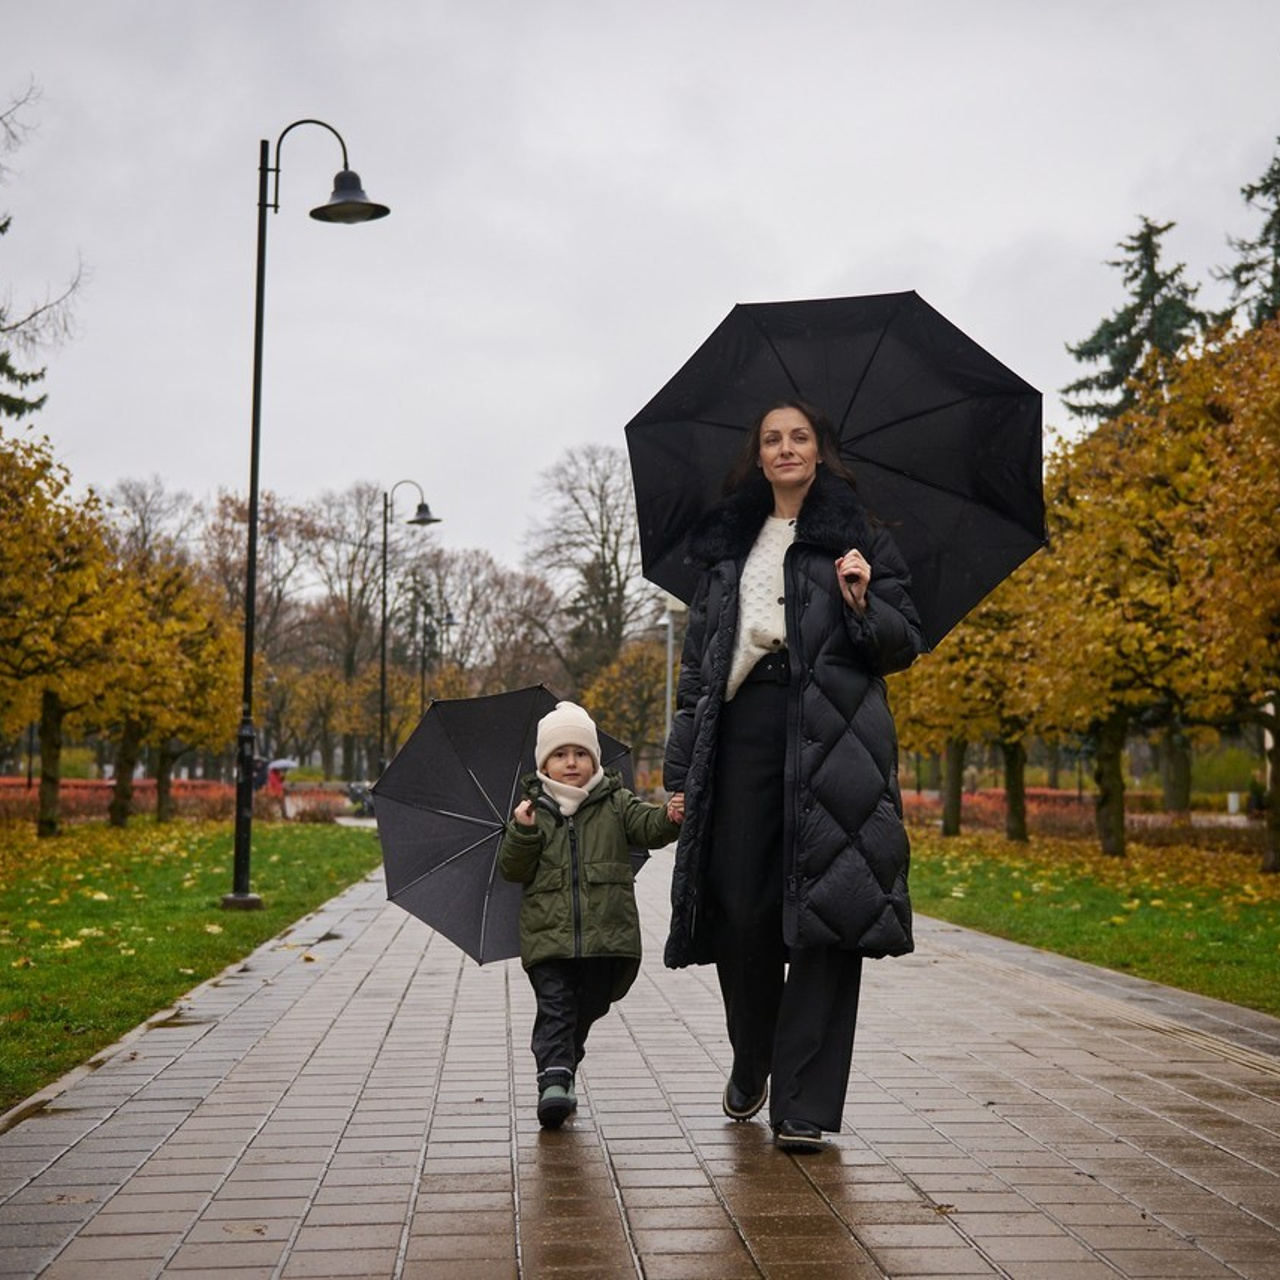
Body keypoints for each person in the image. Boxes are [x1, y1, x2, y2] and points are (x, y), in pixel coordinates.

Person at [662, 398, 924, 1153]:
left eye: (799, 437)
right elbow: (699, 670)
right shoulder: (729, 545)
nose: (786, 448)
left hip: (834, 733)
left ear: (819, 450)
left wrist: (862, 600)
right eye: (773, 438)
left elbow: (903, 642)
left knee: (829, 908)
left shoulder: (859, 537)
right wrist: (681, 770)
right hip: (742, 728)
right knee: (740, 907)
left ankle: (804, 1104)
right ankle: (754, 1054)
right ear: (758, 455)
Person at [499, 700, 685, 1129]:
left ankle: (563, 1065)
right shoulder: (533, 810)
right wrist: (522, 832)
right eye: (560, 754)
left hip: (607, 936)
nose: (571, 763)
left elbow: (648, 828)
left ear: (595, 760)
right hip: (549, 937)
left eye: (581, 753)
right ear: (544, 763)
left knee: (589, 1006)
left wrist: (670, 816)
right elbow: (513, 869)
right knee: (556, 1007)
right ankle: (553, 1081)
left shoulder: (615, 801)